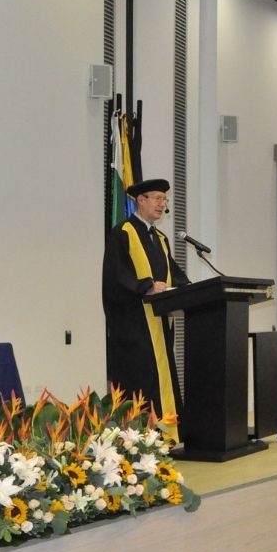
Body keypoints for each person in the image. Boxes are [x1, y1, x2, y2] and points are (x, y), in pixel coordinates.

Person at [102, 178, 190, 434]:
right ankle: (139, 437)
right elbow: (116, 275)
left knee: (159, 377)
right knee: (140, 380)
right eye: (157, 198)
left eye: (165, 199)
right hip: (134, 327)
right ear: (141, 200)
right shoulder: (123, 232)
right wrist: (145, 286)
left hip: (159, 323)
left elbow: (173, 273)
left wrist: (189, 288)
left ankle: (165, 433)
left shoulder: (160, 238)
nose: (163, 204)